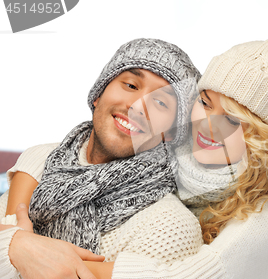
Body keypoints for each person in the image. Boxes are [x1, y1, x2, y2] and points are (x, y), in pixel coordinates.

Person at [1, 26, 268, 279]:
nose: (208, 125)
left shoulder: (266, 220)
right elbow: (48, 156)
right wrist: (20, 236)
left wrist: (46, 256)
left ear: (262, 141)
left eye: (233, 120)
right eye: (205, 103)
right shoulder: (180, 165)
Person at [0, 38, 204, 278]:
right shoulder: (40, 160)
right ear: (98, 94)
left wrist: (16, 244)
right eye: (130, 85)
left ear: (171, 133)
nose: (138, 106)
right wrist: (15, 245)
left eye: (160, 102)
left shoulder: (171, 227)